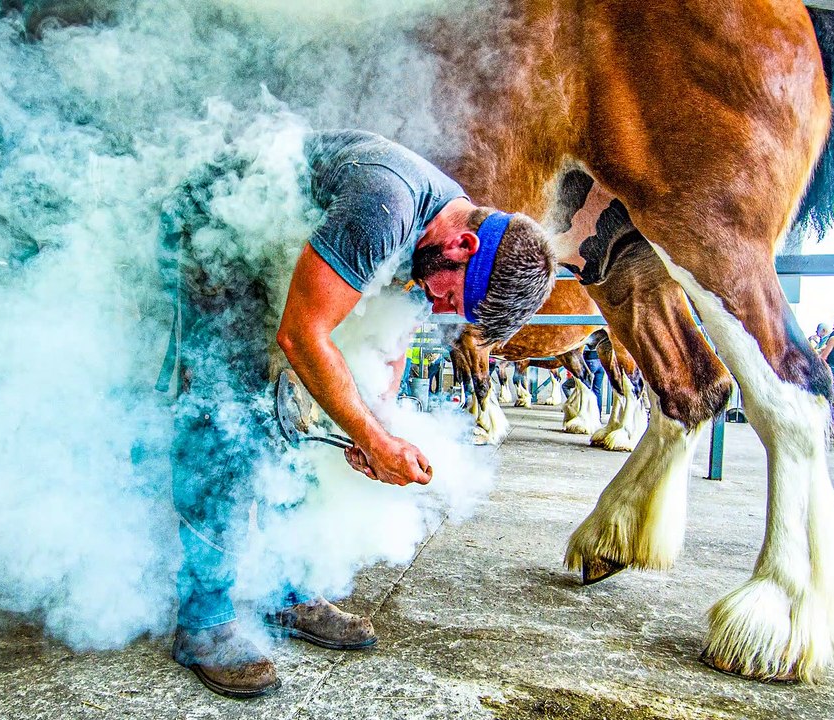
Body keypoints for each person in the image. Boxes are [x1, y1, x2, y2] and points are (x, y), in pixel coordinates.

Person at [164, 129, 554, 698]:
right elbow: (303, 334)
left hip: (282, 255)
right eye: (452, 299)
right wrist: (370, 438)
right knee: (226, 416)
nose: (441, 306)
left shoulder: (443, 236)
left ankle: (284, 591)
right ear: (464, 246)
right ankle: (204, 620)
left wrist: (377, 427)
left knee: (303, 416)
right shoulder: (388, 202)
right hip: (217, 230)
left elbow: (389, 341)